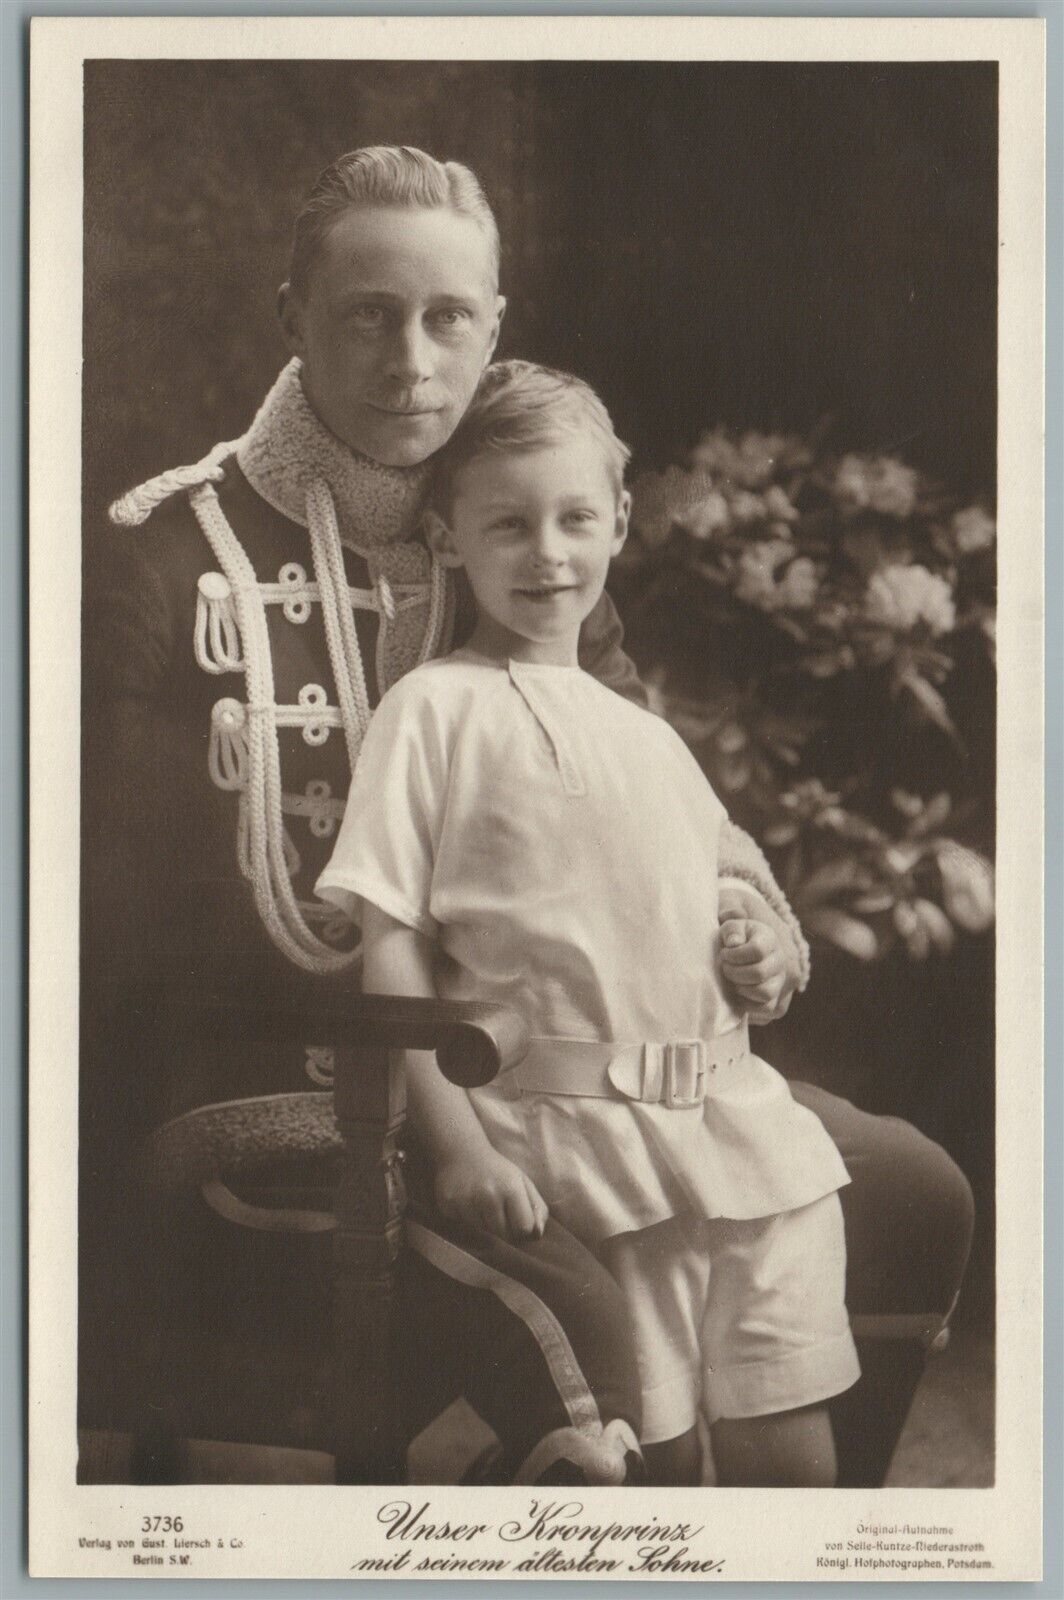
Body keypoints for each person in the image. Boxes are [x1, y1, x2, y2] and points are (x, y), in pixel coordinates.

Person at [85, 145, 972, 1486]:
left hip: (564, 1051)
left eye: (449, 319)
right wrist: (433, 1088)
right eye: (368, 315)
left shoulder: (524, 525)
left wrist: (747, 915)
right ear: (293, 320)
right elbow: (120, 928)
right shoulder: (166, 549)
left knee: (911, 1193)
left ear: (494, 322)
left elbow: (643, 799)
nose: (411, 363)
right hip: (281, 1074)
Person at [316, 361, 865, 1485]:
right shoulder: (432, 713)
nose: (547, 553)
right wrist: (458, 1144)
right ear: (448, 537)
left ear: (618, 520)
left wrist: (753, 940)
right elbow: (389, 940)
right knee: (643, 1463)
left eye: (574, 519)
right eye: (507, 524)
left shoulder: (645, 731)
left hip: (736, 1127)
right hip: (575, 1138)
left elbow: (702, 882)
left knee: (789, 1451)